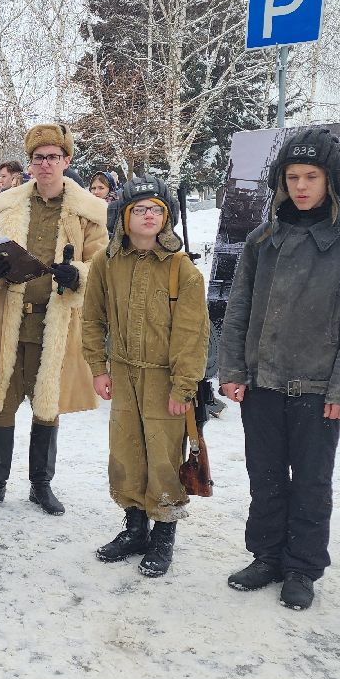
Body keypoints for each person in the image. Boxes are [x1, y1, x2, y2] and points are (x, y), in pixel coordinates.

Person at [216, 129, 340, 611]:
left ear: (332, 181)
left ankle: (303, 568)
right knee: (264, 476)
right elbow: (238, 307)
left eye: (312, 176)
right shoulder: (262, 240)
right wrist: (232, 369)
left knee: (310, 482)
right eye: (293, 177)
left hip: (317, 389)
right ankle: (266, 555)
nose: (302, 185)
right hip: (262, 382)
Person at [0, 123, 109, 516]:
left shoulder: (88, 212)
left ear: (66, 161)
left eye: (53, 157)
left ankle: (41, 485)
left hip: (57, 323)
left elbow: (102, 263)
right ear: (29, 164)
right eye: (38, 158)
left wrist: (78, 273)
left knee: (48, 405)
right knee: (1, 403)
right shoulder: (6, 206)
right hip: (9, 320)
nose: (45, 165)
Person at [83, 176, 209, 577]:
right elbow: (92, 318)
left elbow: (193, 334)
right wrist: (98, 368)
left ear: (166, 216)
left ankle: (164, 535)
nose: (149, 215)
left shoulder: (181, 269)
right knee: (125, 453)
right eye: (140, 209)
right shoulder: (107, 261)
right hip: (122, 374)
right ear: (125, 215)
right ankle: (135, 527)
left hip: (164, 380)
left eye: (157, 209)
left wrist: (183, 386)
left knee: (163, 458)